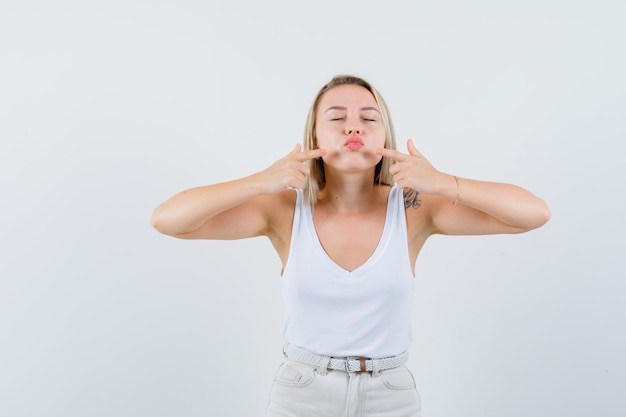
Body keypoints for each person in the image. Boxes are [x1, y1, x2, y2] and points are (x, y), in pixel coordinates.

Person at [150, 74, 551, 417]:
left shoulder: (413, 208)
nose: (353, 128)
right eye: (337, 118)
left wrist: (442, 182)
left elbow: (533, 214)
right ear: (314, 137)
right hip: (301, 393)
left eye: (368, 119)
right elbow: (168, 220)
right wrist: (263, 180)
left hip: (390, 394)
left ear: (384, 134)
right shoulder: (284, 211)